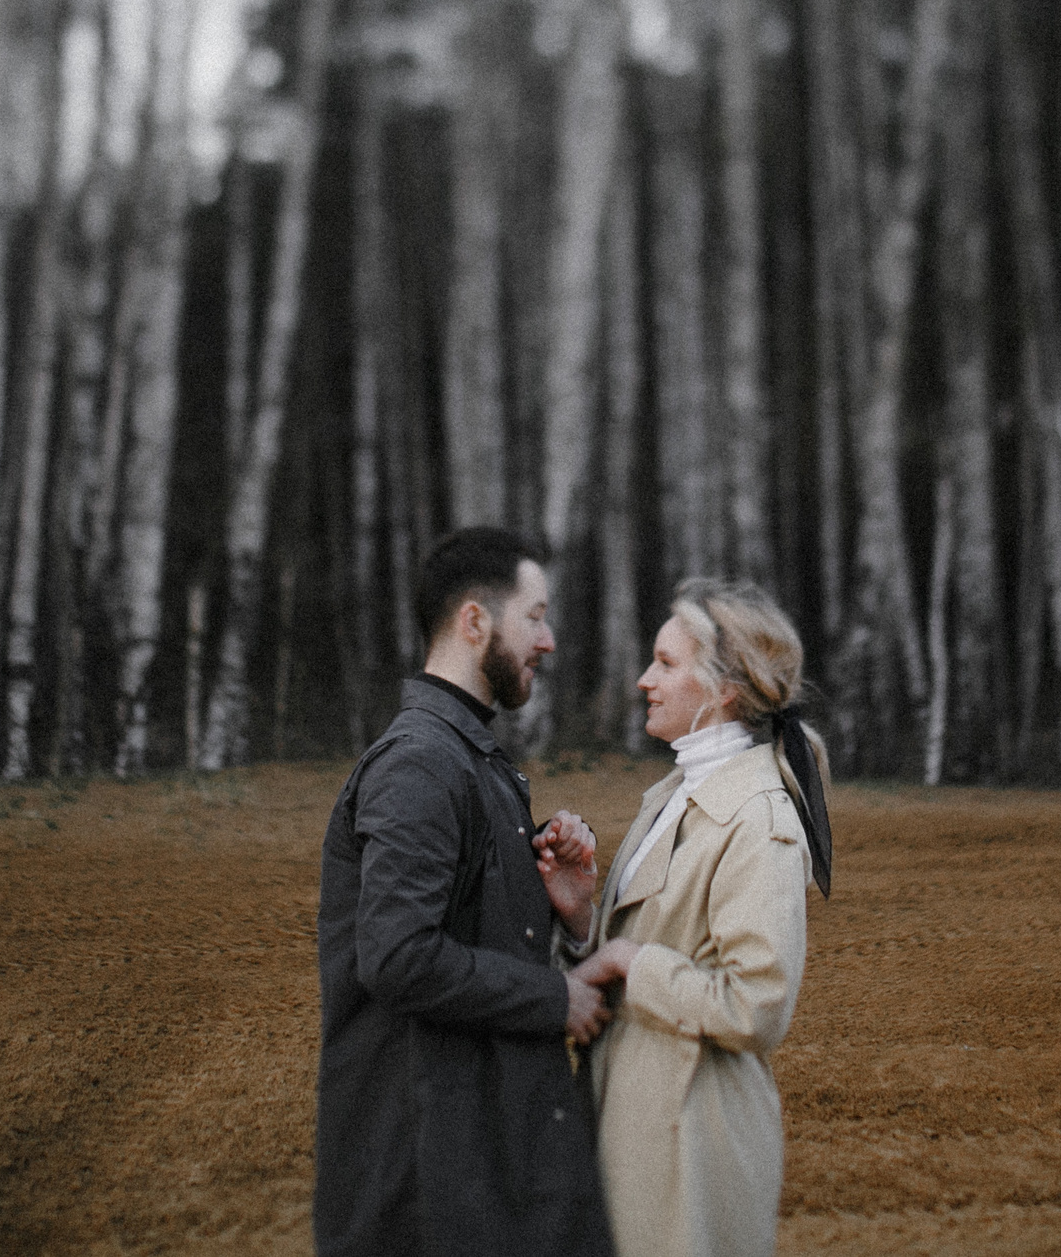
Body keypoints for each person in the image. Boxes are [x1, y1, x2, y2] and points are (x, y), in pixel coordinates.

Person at [313, 527, 616, 1257]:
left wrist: (565, 911)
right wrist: (556, 998)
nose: (547, 640)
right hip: (426, 1190)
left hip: (479, 1169)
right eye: (535, 615)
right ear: (474, 621)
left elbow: (473, 937)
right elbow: (398, 956)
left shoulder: (470, 757)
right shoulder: (422, 763)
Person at [572, 578, 835, 1257]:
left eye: (665, 662)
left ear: (723, 687)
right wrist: (579, 915)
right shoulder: (672, 794)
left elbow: (756, 1005)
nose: (643, 679)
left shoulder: (760, 817)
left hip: (693, 1138)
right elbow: (631, 947)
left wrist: (632, 962)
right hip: (628, 1118)